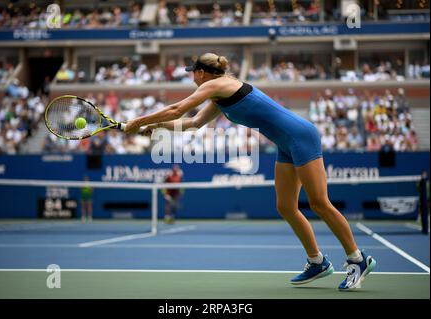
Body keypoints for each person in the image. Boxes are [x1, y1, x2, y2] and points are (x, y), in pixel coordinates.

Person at [124, 52, 376, 290]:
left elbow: (177, 109)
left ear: (202, 73)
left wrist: (138, 121)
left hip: (301, 136)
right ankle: (317, 262)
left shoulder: (217, 85)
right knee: (286, 206)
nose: (192, 77)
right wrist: (156, 126)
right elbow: (192, 123)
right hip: (286, 143)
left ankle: (357, 258)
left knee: (319, 202)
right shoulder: (218, 96)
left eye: (193, 73)